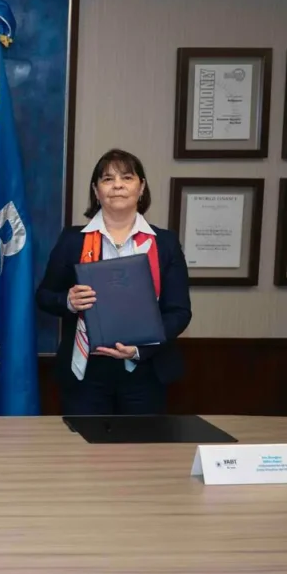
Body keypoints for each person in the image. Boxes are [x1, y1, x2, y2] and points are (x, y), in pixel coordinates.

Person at [36, 148, 191, 415]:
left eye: (127, 178)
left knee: (140, 442)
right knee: (83, 442)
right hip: (86, 372)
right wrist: (68, 301)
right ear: (96, 191)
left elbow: (179, 312)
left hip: (146, 369)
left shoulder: (164, 243)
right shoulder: (73, 240)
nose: (117, 185)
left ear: (141, 187)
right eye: (108, 179)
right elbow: (45, 296)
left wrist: (139, 348)